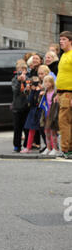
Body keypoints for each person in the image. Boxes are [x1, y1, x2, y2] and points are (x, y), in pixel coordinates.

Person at [55, 31, 72, 159]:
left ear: (70, 41)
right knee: (65, 122)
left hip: (68, 94)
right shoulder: (64, 55)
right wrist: (57, 92)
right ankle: (68, 149)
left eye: (64, 39)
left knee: (64, 122)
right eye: (60, 39)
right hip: (62, 93)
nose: (61, 41)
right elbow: (62, 75)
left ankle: (66, 150)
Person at [11, 61, 29, 152]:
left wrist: (25, 81)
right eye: (19, 70)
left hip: (26, 106)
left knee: (26, 127)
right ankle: (17, 145)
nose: (21, 72)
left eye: (23, 70)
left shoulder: (28, 78)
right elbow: (15, 91)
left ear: (26, 71)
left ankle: (27, 145)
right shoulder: (14, 80)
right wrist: (19, 81)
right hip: (17, 107)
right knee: (17, 128)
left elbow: (28, 91)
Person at [40, 75, 60, 156]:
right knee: (46, 133)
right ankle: (48, 148)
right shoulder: (44, 93)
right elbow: (41, 104)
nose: (47, 84)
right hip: (45, 115)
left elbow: (56, 105)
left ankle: (56, 149)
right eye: (45, 82)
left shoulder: (55, 93)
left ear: (52, 83)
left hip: (52, 116)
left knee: (53, 133)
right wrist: (40, 96)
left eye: (49, 82)